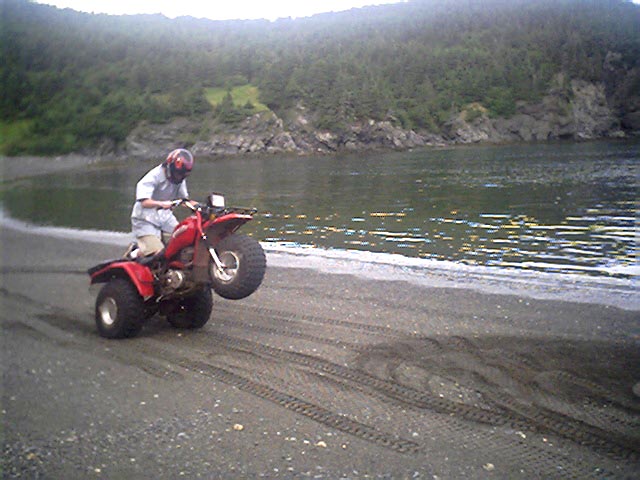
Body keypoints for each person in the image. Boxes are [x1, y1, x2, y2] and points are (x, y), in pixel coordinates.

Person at [130, 148, 195, 256]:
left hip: (165, 218)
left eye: (183, 175)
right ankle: (134, 253)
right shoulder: (153, 177)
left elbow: (184, 200)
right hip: (145, 219)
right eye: (178, 174)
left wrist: (198, 206)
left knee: (184, 239)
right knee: (157, 254)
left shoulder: (179, 180)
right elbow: (144, 202)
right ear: (170, 167)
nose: (179, 178)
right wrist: (162, 204)